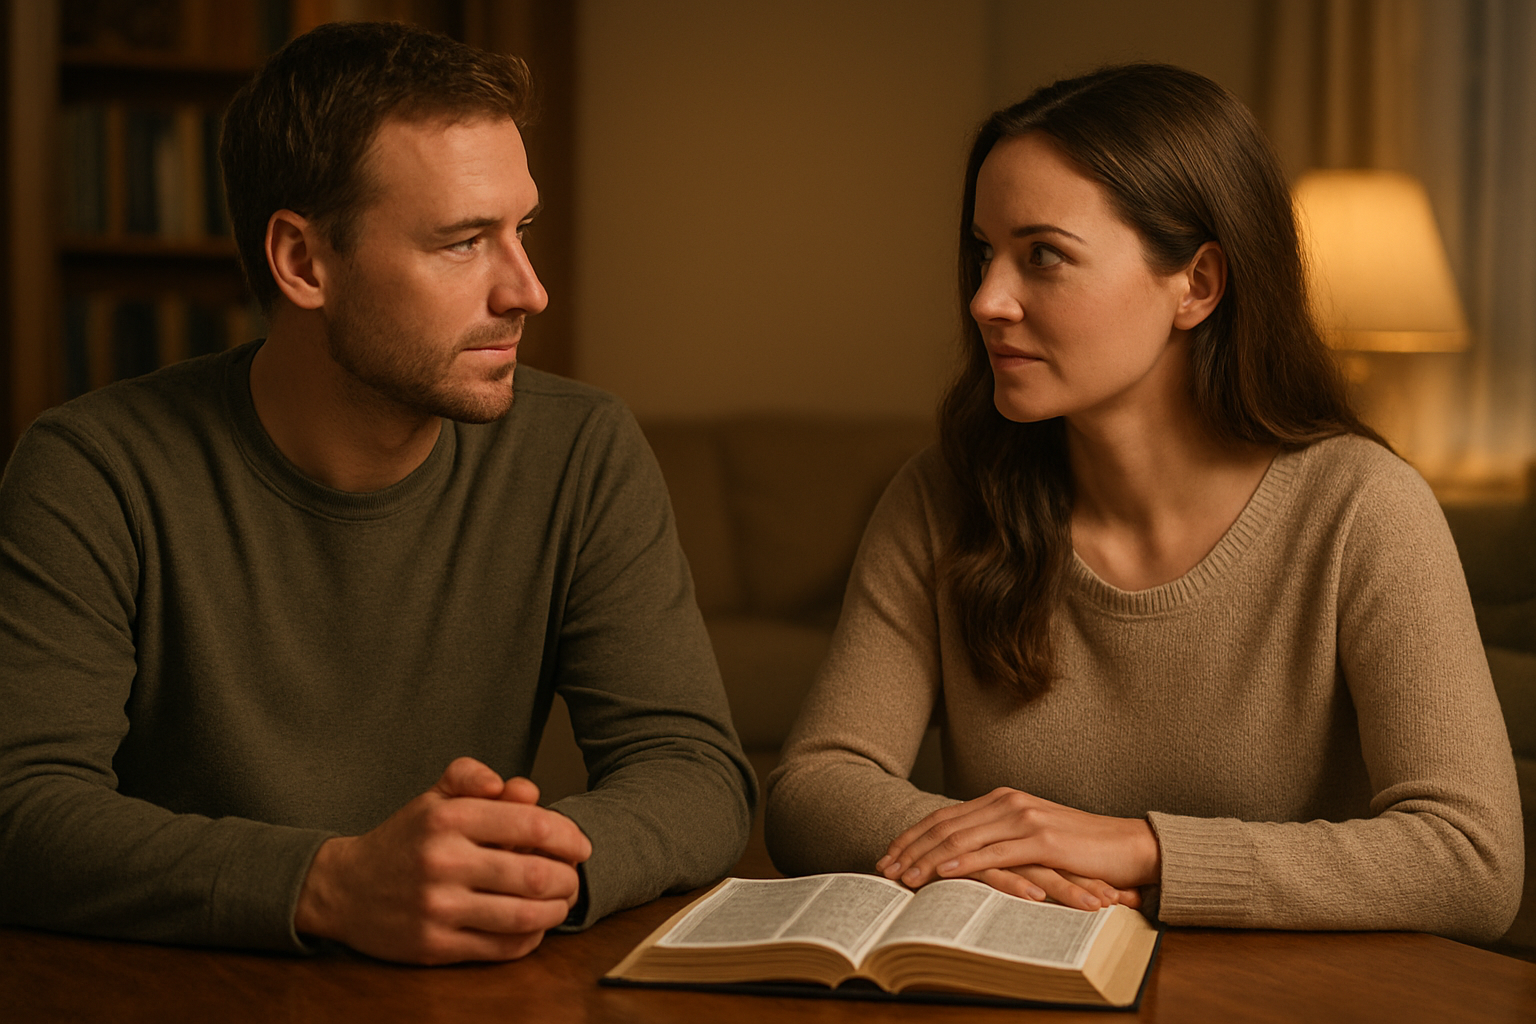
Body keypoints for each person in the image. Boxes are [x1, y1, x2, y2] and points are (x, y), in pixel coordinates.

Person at [0, 22, 754, 965]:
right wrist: (332, 884)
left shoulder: (582, 449)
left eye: (521, 230)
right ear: (304, 263)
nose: (528, 290)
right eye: (462, 242)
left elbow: (694, 773)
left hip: (473, 986)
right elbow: (21, 811)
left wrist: (521, 871)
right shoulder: (92, 469)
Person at [764, 63, 1522, 943]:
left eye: (1042, 254)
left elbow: (1474, 861)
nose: (985, 300)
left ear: (1197, 284)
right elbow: (814, 783)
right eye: (983, 253)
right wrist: (995, 860)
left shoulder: (1363, 509)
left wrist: (1139, 850)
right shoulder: (943, 494)